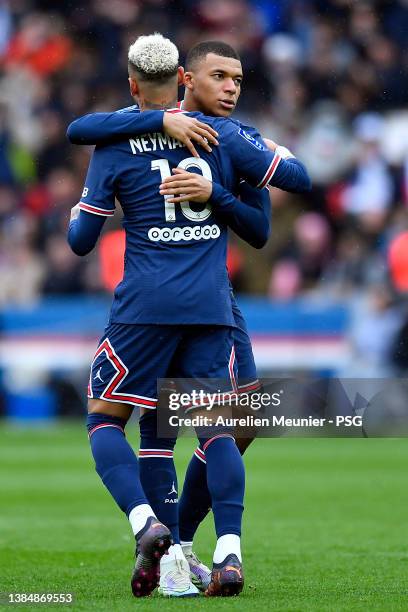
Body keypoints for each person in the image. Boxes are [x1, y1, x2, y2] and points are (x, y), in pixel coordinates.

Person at [67, 33, 310, 598]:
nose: (230, 88)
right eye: (220, 77)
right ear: (185, 78)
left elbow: (265, 224)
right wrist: (166, 129)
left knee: (134, 421)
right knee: (197, 427)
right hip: (206, 305)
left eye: (238, 80)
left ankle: (161, 536)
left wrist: (214, 193)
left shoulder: (218, 138)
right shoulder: (221, 139)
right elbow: (288, 191)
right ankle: (193, 556)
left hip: (153, 306)